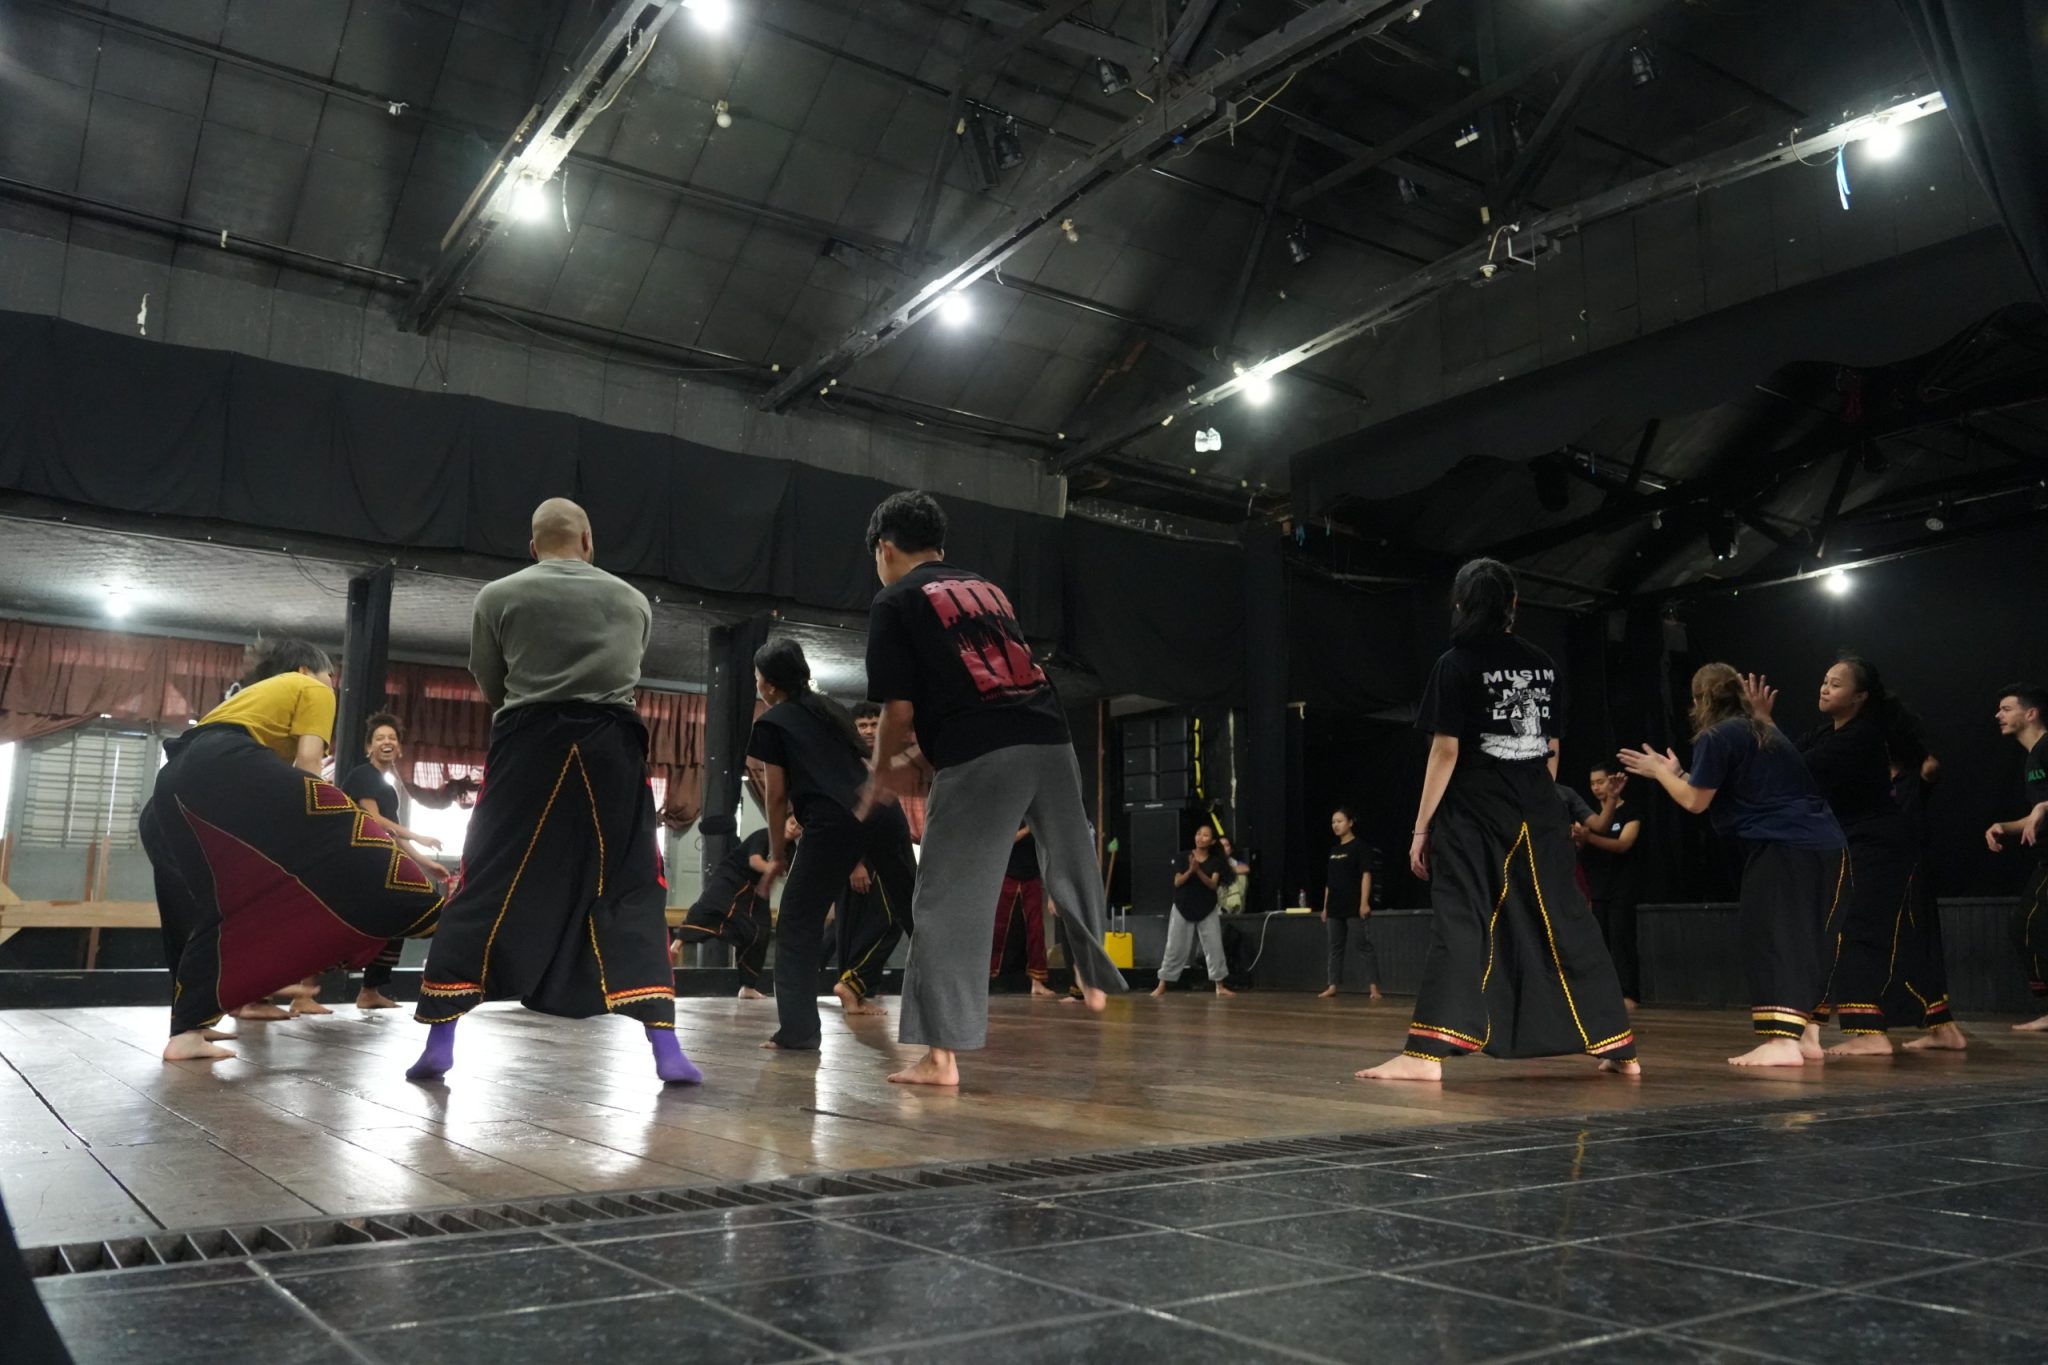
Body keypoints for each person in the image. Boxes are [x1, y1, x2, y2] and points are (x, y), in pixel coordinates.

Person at [406, 499, 698, 1086]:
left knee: (486, 877)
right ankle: (665, 1046)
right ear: (588, 541)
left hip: (527, 744)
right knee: (632, 881)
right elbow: (627, 673)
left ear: (533, 547)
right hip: (612, 749)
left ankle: (440, 1035)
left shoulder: (498, 596)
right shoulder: (633, 600)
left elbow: (491, 681)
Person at [861, 490, 1129, 1086]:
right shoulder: (988, 589)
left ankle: (941, 1058)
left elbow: (899, 710)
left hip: (981, 753)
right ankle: (1092, 975)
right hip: (1051, 736)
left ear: (884, 548)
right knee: (1072, 856)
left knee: (945, 901)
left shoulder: (895, 598)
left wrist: (879, 773)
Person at [1357, 559, 1638, 1083]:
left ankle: (1426, 1054)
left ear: (1460, 605)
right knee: (1566, 918)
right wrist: (1539, 802)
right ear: (1513, 605)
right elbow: (1551, 749)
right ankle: (1620, 1046)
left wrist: (1421, 829)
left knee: (1461, 919)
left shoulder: (1455, 665)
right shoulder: (1544, 665)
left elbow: (1445, 751)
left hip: (1475, 815)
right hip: (1539, 810)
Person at [138, 638, 445, 1062]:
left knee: (199, 911)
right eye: (330, 677)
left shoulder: (247, 703)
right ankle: (425, 909)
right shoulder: (311, 687)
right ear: (307, 671)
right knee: (341, 824)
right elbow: (308, 763)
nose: (332, 685)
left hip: (170, 786)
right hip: (220, 764)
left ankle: (187, 1029)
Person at [1618, 662, 1846, 1067]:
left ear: (1700, 700)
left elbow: (1695, 801)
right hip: (1828, 844)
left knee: (1774, 937)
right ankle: (1808, 1035)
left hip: (1784, 847)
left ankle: (1782, 1042)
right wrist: (1679, 772)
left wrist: (1658, 773)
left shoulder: (1717, 735)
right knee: (1811, 938)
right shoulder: (1764, 731)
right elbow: (1731, 788)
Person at [1760, 657, 1963, 1056]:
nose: (1824, 687)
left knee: (1854, 930)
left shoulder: (1861, 735)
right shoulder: (1826, 733)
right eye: (1824, 680)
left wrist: (1764, 721)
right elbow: (1781, 760)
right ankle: (1944, 1028)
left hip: (1880, 845)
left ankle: (1869, 1033)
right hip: (1863, 843)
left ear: (1860, 697)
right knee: (1900, 938)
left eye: (1836, 684)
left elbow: (1795, 767)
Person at [750, 637, 918, 1048]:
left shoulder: (773, 722)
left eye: (757, 678)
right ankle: (955, 1018)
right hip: (883, 811)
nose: (758, 685)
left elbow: (776, 796)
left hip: (832, 820)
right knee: (914, 912)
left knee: (797, 923)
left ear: (769, 684)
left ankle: (799, 1032)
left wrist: (777, 854)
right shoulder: (831, 709)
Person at [340, 711, 452, 1010]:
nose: (386, 742)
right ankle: (304, 993)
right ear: (369, 747)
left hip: (378, 865)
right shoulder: (363, 775)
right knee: (342, 925)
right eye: (379, 738)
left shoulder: (386, 787)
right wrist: (419, 836)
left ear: (400, 748)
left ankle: (370, 991)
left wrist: (426, 863)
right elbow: (374, 820)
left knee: (398, 919)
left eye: (391, 738)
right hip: (356, 864)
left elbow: (394, 834)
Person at [1887, 730, 1963, 1049]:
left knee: (1917, 943)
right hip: (1887, 870)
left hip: (1911, 869)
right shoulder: (1877, 784)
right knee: (1898, 948)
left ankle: (1944, 1029)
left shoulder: (1913, 776)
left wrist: (1908, 743)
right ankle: (1940, 1028)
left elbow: (1932, 768)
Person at [671, 811, 792, 999]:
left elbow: (785, 873)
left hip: (755, 889)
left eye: (799, 826)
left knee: (759, 931)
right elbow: (754, 861)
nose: (794, 828)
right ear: (783, 822)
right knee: (713, 905)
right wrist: (772, 868)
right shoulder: (764, 835)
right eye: (792, 823)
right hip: (732, 876)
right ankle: (678, 942)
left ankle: (748, 986)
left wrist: (773, 877)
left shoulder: (790, 849)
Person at [1988, 682, 2048, 1031]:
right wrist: (2005, 827)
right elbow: (2037, 814)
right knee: (2026, 927)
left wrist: (2043, 807)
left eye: (2007, 708)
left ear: (2031, 713)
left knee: (2028, 926)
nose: (1999, 714)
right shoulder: (2032, 758)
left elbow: (2043, 808)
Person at [1579, 764, 1642, 1007]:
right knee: (1600, 941)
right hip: (1597, 888)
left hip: (1622, 887)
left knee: (1620, 939)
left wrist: (1590, 837)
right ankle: (1604, 993)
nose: (1596, 787)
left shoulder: (1630, 811)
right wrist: (1579, 839)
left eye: (1600, 782)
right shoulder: (1590, 815)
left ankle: (1629, 994)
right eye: (1592, 783)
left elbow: (1623, 844)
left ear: (1612, 781)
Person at [1152, 824, 1236, 997]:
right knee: (1175, 947)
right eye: (1198, 833)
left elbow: (1212, 885)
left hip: (1207, 908)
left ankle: (1219, 986)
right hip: (1183, 906)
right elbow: (1177, 882)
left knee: (1214, 947)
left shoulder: (1216, 861)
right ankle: (1162, 985)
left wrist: (1198, 871)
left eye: (1205, 835)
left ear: (1212, 841)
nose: (1200, 837)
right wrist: (1191, 870)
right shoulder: (1184, 857)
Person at [1319, 807, 1382, 1001]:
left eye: (1339, 821)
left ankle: (1374, 988)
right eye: (1333, 822)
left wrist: (1364, 903)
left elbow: (1366, 875)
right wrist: (1325, 907)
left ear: (1350, 823)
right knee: (1334, 947)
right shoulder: (1334, 850)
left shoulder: (1360, 847)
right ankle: (1332, 985)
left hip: (1353, 904)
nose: (1335, 825)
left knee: (1363, 945)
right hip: (1334, 906)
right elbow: (1329, 881)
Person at [991, 824, 1058, 997]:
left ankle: (1037, 982)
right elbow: (1004, 840)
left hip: (1032, 877)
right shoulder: (1013, 815)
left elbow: (1047, 852)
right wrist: (1028, 829)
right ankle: (985, 979)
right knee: (998, 928)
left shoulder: (1038, 819)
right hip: (1007, 876)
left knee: (1036, 930)